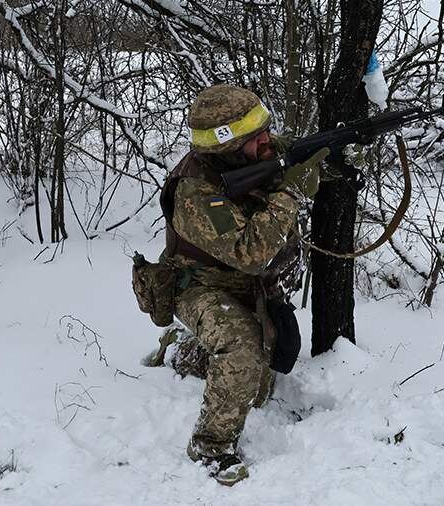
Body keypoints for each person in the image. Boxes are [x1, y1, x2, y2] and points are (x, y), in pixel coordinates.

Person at [157, 84, 328, 486]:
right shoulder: (195, 192)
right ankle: (210, 446)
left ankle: (192, 355)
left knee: (273, 366)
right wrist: (289, 195)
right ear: (228, 149)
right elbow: (251, 252)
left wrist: (340, 154)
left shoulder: (256, 152)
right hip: (197, 286)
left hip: (245, 283)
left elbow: (304, 156)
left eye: (265, 131)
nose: (268, 141)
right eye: (256, 138)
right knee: (241, 347)